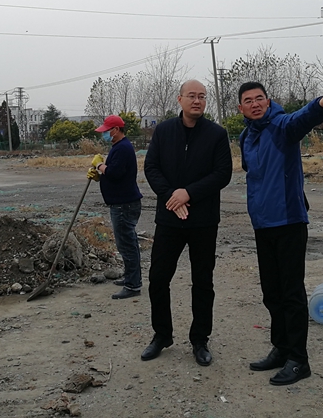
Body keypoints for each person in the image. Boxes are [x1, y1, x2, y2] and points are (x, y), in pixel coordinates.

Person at [237, 82, 323, 386]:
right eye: (248, 101)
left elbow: (301, 119)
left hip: (289, 222)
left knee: (291, 292)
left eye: (259, 99)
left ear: (268, 102)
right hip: (262, 224)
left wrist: (318, 106)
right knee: (272, 293)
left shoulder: (282, 126)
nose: (255, 104)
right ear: (241, 108)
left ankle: (298, 360)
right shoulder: (246, 137)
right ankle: (281, 349)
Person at [141, 80, 232, 367]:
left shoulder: (216, 134)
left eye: (202, 96)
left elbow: (223, 173)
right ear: (179, 99)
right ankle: (162, 334)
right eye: (191, 96)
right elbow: (151, 167)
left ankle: (200, 339)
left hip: (203, 220)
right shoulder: (164, 131)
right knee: (158, 278)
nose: (197, 101)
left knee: (203, 281)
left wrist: (188, 193)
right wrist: (172, 197)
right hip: (169, 218)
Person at [87, 114, 143, 300]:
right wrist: (99, 175)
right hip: (122, 203)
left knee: (126, 244)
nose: (104, 134)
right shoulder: (118, 147)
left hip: (124, 205)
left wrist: (100, 166)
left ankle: (133, 285)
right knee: (126, 243)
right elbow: (114, 174)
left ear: (116, 130)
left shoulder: (123, 148)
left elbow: (115, 173)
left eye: (107, 131)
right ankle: (131, 277)